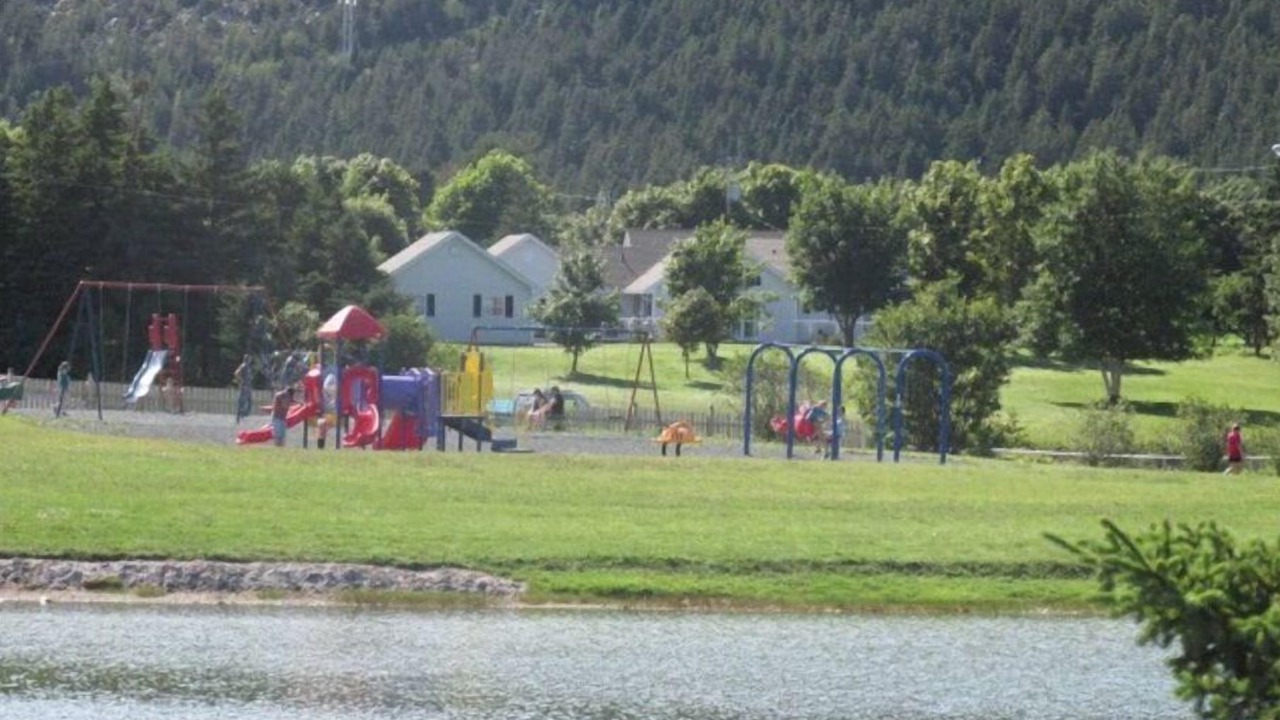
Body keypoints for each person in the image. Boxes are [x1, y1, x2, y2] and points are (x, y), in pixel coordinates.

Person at [233, 354, 254, 423]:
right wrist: (240, 380)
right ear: (246, 359)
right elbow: (236, 373)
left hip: (248, 386)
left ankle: (243, 414)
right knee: (241, 402)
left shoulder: (247, 367)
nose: (250, 360)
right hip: (244, 386)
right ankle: (238, 417)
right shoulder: (243, 366)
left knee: (250, 401)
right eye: (249, 359)